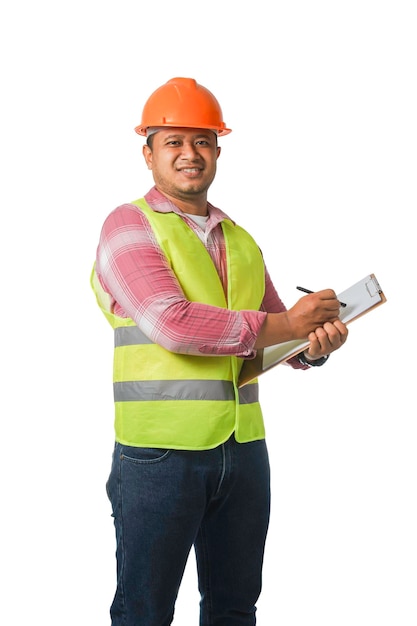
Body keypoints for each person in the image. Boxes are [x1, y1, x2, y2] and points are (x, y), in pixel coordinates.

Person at [91, 77, 348, 626]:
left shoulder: (241, 239)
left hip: (244, 451)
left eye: (202, 141)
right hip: (159, 457)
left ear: (218, 151)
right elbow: (171, 324)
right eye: (174, 141)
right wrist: (285, 323)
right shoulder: (128, 225)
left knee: (234, 608)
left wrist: (315, 342)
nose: (190, 154)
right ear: (148, 152)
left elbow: (277, 335)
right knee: (144, 612)